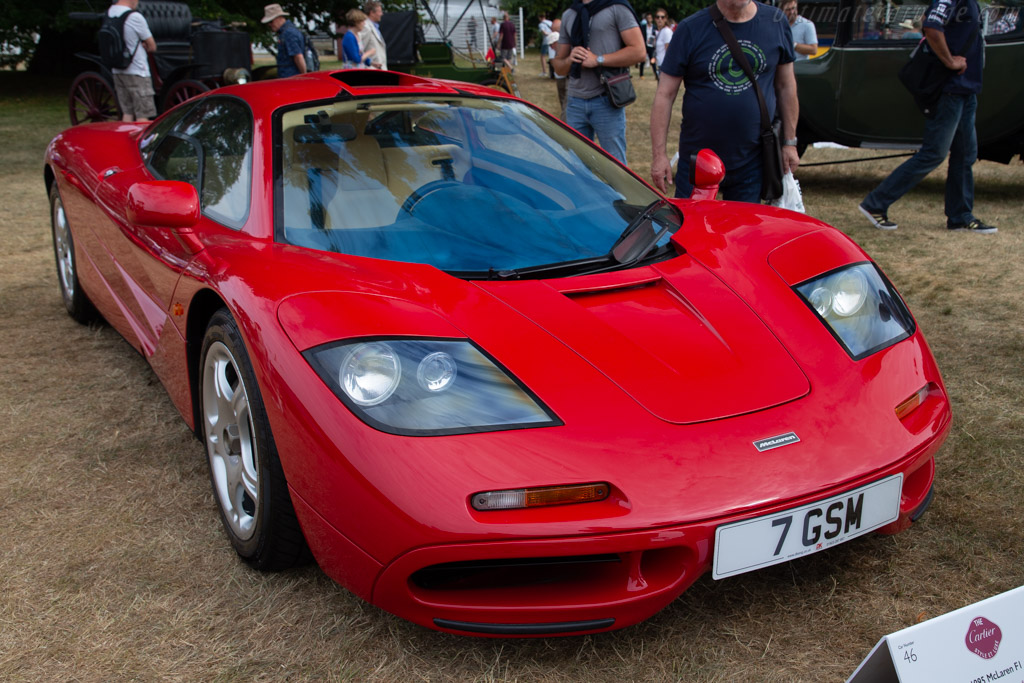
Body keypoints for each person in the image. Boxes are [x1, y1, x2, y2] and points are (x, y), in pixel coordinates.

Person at [859, 0, 996, 233]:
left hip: (965, 90)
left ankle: (961, 216)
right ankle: (876, 203)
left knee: (965, 154)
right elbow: (932, 26)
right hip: (949, 89)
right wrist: (950, 61)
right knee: (934, 153)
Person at [650, 0, 799, 202]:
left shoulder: (775, 22)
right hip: (698, 160)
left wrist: (790, 143)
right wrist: (659, 155)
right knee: (694, 230)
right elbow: (665, 94)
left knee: (742, 231)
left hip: (752, 159)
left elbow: (786, 86)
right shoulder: (691, 28)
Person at [552, 0, 646, 165]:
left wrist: (598, 59)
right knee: (577, 166)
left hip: (606, 99)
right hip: (575, 101)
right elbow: (559, 67)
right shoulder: (569, 14)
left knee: (615, 168)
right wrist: (569, 59)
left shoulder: (617, 7)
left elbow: (639, 51)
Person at [107, 0, 157, 122]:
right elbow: (152, 46)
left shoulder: (109, 13)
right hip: (137, 72)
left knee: (127, 113)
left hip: (118, 70)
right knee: (142, 116)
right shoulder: (134, 17)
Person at [262, 4, 307, 78]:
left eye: (271, 21)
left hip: (292, 78)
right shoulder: (285, 32)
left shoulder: (288, 33)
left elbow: (298, 56)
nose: (269, 25)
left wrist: (304, 76)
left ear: (278, 18)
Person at [547, 18, 567, 118]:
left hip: (563, 78)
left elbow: (553, 62)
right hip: (560, 77)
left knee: (565, 103)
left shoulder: (560, 47)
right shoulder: (561, 44)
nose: (551, 47)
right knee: (563, 101)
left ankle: (564, 122)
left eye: (551, 44)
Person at [359, 1, 387, 70]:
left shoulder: (375, 27)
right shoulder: (365, 27)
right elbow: (360, 50)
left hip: (379, 69)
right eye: (380, 11)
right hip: (371, 70)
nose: (382, 14)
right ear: (372, 13)